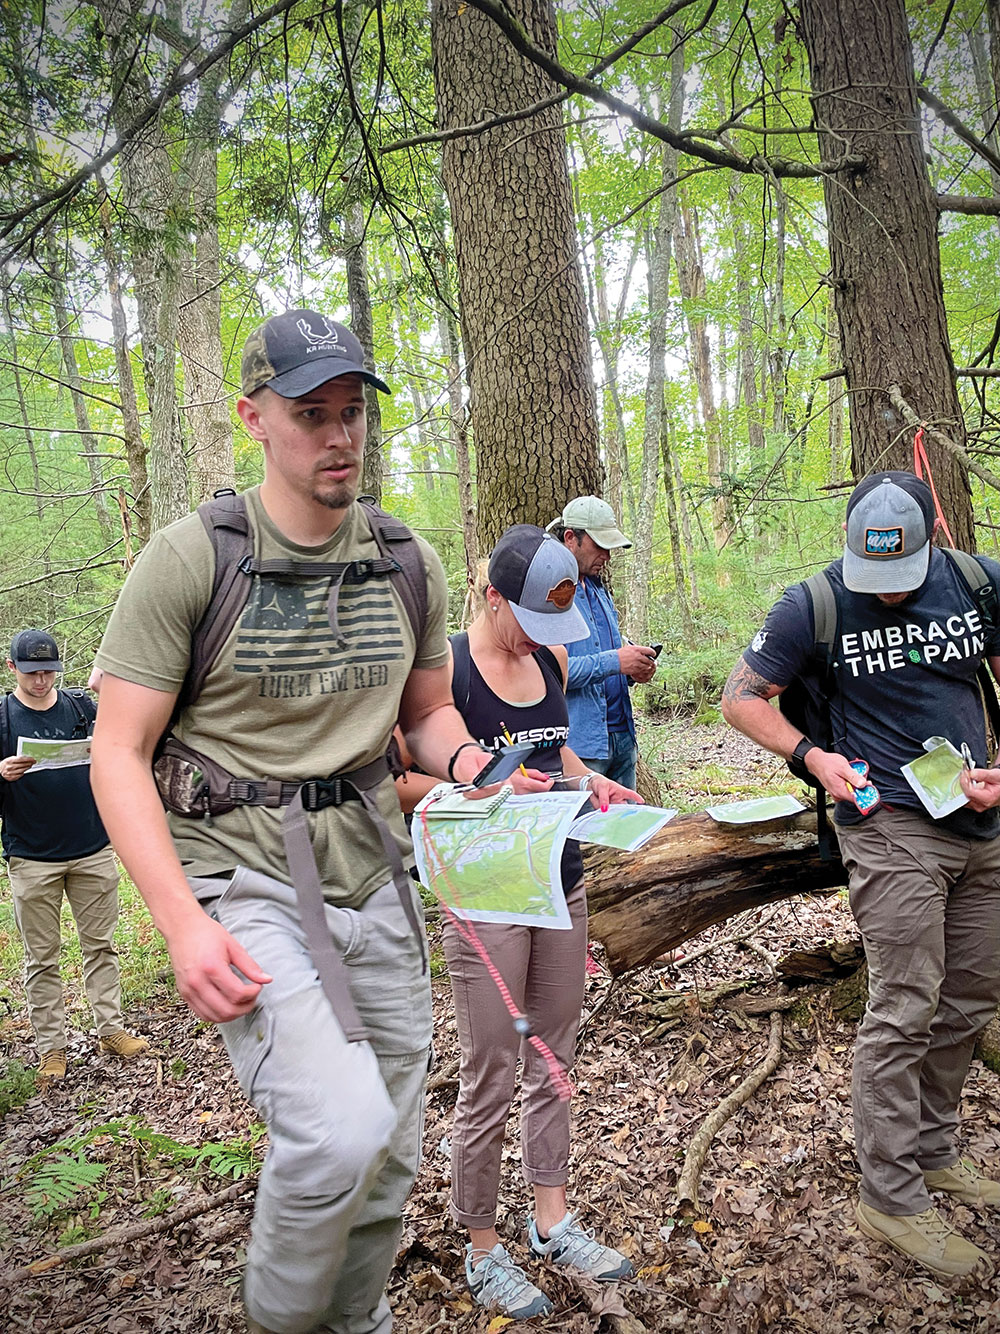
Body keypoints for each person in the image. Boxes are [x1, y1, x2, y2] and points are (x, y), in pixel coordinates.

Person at [89, 309, 511, 1334]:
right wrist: (183, 922)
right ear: (254, 418)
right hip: (245, 878)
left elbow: (425, 711)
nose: (339, 436)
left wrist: (468, 762)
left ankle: (355, 1316)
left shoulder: (406, 558)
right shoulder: (194, 558)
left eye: (352, 413)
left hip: (374, 872)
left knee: (391, 1148)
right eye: (311, 413)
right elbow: (116, 748)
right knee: (336, 1128)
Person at [721, 471, 1000, 1280]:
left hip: (981, 820)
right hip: (887, 826)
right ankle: (890, 1194)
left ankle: (936, 1147)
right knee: (907, 1000)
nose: (884, 595)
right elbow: (741, 698)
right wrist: (813, 756)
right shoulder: (812, 604)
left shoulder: (976, 582)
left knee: (973, 992)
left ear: (932, 537)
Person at [399, 526, 639, 1319]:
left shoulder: (552, 657)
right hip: (484, 898)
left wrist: (597, 786)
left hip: (558, 882)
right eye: (532, 615)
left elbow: (558, 756)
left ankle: (552, 1219)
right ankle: (482, 1247)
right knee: (491, 1068)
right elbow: (400, 777)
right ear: (493, 597)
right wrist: (487, 788)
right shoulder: (448, 673)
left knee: (554, 1055)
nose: (545, 635)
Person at [1, 629, 148, 1081]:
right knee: (41, 958)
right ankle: (52, 1050)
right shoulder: (3, 719)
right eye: (32, 672)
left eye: (48, 671)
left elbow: (120, 760)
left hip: (91, 848)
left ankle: (111, 1029)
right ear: (13, 669)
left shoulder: (83, 710)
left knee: (100, 945)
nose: (41, 680)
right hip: (31, 857)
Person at [547, 496, 657, 789]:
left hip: (622, 740)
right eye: (599, 546)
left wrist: (634, 668)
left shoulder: (598, 588)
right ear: (571, 538)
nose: (607, 556)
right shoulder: (549, 595)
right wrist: (615, 662)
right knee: (584, 834)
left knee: (628, 831)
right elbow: (548, 673)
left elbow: (606, 652)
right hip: (580, 749)